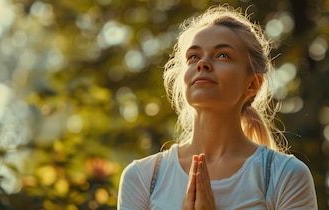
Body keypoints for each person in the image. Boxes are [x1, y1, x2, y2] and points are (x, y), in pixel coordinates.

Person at [117, 5, 318, 210]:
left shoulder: (285, 176)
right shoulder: (142, 178)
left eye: (223, 55)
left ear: (252, 84)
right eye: (193, 56)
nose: (202, 63)